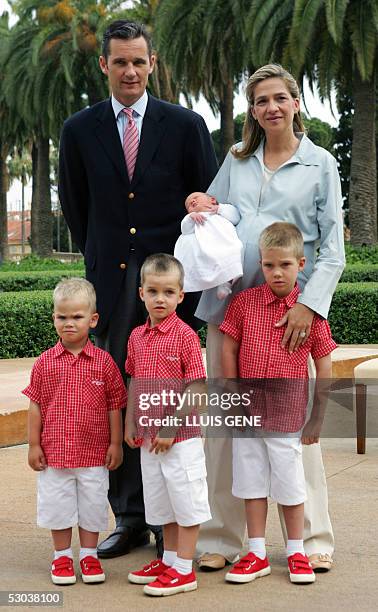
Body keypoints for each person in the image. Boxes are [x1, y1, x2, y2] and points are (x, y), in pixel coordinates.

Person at [58, 19, 218, 558]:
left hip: (169, 284)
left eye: (139, 61)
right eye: (119, 61)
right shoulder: (78, 130)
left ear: (152, 64)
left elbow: (205, 197)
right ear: (103, 65)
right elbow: (78, 210)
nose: (130, 71)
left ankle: (168, 523)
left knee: (167, 392)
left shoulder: (186, 124)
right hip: (110, 281)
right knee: (119, 392)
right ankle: (128, 518)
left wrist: (177, 284)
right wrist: (103, 260)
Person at [195, 64, 345, 572]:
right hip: (230, 312)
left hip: (289, 319)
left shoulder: (321, 163)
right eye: (261, 100)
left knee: (294, 426)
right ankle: (222, 538)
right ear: (252, 110)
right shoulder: (236, 160)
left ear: (295, 102)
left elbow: (334, 251)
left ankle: (314, 538)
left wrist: (309, 305)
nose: (271, 107)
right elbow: (214, 209)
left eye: (279, 97)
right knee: (229, 426)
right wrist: (200, 204)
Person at [221, 222, 337, 585]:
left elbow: (324, 362)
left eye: (285, 265)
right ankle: (255, 552)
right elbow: (229, 347)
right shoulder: (244, 304)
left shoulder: (310, 311)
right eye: (269, 265)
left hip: (288, 418)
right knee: (251, 483)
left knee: (290, 485)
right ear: (261, 263)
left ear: (301, 264)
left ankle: (296, 551)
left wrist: (317, 416)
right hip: (247, 414)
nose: (276, 272)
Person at [23, 278, 126, 585]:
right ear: (54, 317)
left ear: (93, 320)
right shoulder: (44, 363)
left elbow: (114, 406)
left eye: (77, 317)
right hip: (54, 454)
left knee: (93, 506)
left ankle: (89, 556)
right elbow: (36, 406)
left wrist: (116, 444)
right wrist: (33, 445)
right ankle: (63, 557)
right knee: (58, 507)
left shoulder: (104, 363)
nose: (69, 323)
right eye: (62, 316)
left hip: (93, 454)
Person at [125, 254, 211, 597]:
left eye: (168, 292)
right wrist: (132, 420)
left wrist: (171, 429)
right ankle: (170, 560)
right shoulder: (136, 337)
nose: (160, 298)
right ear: (141, 293)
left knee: (186, 503)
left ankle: (184, 570)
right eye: (153, 291)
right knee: (164, 505)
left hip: (181, 439)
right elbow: (133, 380)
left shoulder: (186, 336)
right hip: (148, 440)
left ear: (181, 294)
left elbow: (197, 387)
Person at [174, 192, 243, 299]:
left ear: (212, 200)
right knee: (205, 260)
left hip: (224, 242)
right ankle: (192, 283)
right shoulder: (194, 219)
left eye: (196, 198)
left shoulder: (220, 211)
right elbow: (185, 230)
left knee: (231, 254)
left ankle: (227, 282)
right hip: (207, 246)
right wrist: (191, 217)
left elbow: (236, 217)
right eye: (188, 205)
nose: (192, 201)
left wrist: (220, 208)